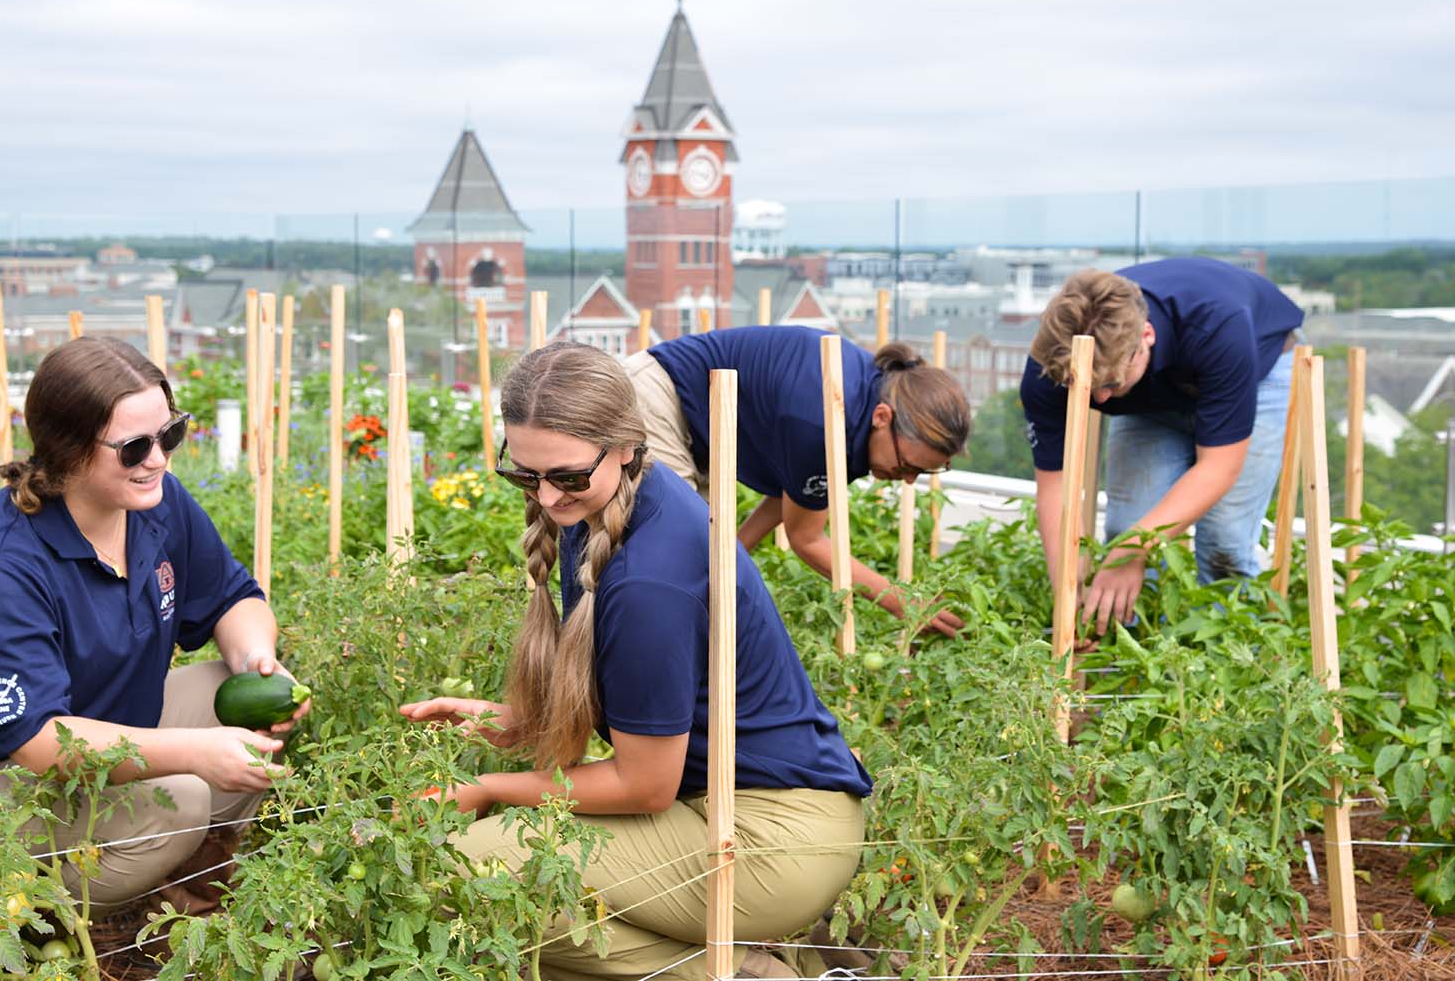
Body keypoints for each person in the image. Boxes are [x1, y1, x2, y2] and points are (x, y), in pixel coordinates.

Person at [401, 342, 872, 980]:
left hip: (771, 838)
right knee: (512, 885)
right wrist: (511, 720)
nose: (545, 498)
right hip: (717, 803)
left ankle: (747, 974)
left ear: (626, 444)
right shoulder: (611, 506)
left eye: (566, 476)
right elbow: (642, 712)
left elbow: (641, 785)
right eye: (525, 475)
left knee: (459, 870)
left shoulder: (649, 582)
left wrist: (490, 789)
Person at [0, 337, 308, 910]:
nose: (159, 459)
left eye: (169, 434)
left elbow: (231, 599)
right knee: (185, 796)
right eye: (135, 446)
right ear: (67, 451)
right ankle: (14, 911)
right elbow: (41, 743)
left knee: (244, 693)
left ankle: (187, 871)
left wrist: (256, 662)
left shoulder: (153, 501)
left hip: (91, 729)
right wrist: (195, 751)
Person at [624, 325, 971, 637]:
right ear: (883, 417)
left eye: (922, 473)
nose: (908, 481)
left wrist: (729, 558)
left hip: (691, 418)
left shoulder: (870, 397)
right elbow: (806, 537)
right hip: (658, 398)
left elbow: (788, 491)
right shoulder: (823, 425)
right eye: (907, 466)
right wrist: (899, 602)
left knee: (696, 565)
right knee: (674, 562)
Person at [1020, 259, 1304, 635]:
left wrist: (1133, 549)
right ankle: (1137, 660)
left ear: (1147, 337)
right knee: (1126, 526)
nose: (1101, 400)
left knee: (1226, 542)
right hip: (1153, 398)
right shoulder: (1051, 367)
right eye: (1085, 389)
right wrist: (1068, 595)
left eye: (1111, 384)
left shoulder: (1218, 323)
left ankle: (1230, 668)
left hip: (1258, 370)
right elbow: (1055, 488)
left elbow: (1219, 466)